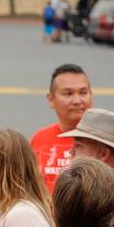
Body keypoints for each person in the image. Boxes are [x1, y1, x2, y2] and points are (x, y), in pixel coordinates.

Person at [29, 63, 94, 192]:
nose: (77, 100)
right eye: (68, 94)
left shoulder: (112, 140)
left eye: (83, 93)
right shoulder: (39, 139)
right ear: (51, 99)